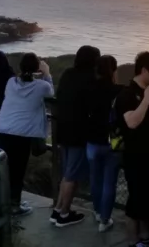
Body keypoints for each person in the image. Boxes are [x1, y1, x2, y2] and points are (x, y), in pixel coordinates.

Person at [0, 53, 54, 217]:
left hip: (2, 129)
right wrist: (47, 73)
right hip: (21, 133)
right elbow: (51, 93)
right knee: (18, 169)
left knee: (5, 168)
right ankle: (14, 205)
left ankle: (1, 202)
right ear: (37, 68)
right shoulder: (42, 85)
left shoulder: (11, 82)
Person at [115, 51, 149, 247]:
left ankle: (144, 235)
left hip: (148, 156)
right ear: (144, 70)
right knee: (135, 198)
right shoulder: (127, 94)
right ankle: (132, 240)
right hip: (135, 156)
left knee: (145, 196)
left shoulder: (146, 92)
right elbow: (132, 122)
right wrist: (146, 100)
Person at [51, 45, 101, 227]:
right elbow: (93, 107)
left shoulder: (67, 74)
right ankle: (64, 214)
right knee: (72, 175)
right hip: (78, 133)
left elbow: (59, 96)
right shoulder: (91, 80)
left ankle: (58, 210)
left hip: (63, 129)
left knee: (67, 172)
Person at [86, 55, 124, 232]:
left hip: (91, 140)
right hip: (112, 142)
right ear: (114, 70)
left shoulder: (89, 88)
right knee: (109, 182)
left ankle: (97, 211)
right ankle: (104, 220)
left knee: (95, 179)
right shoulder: (119, 91)